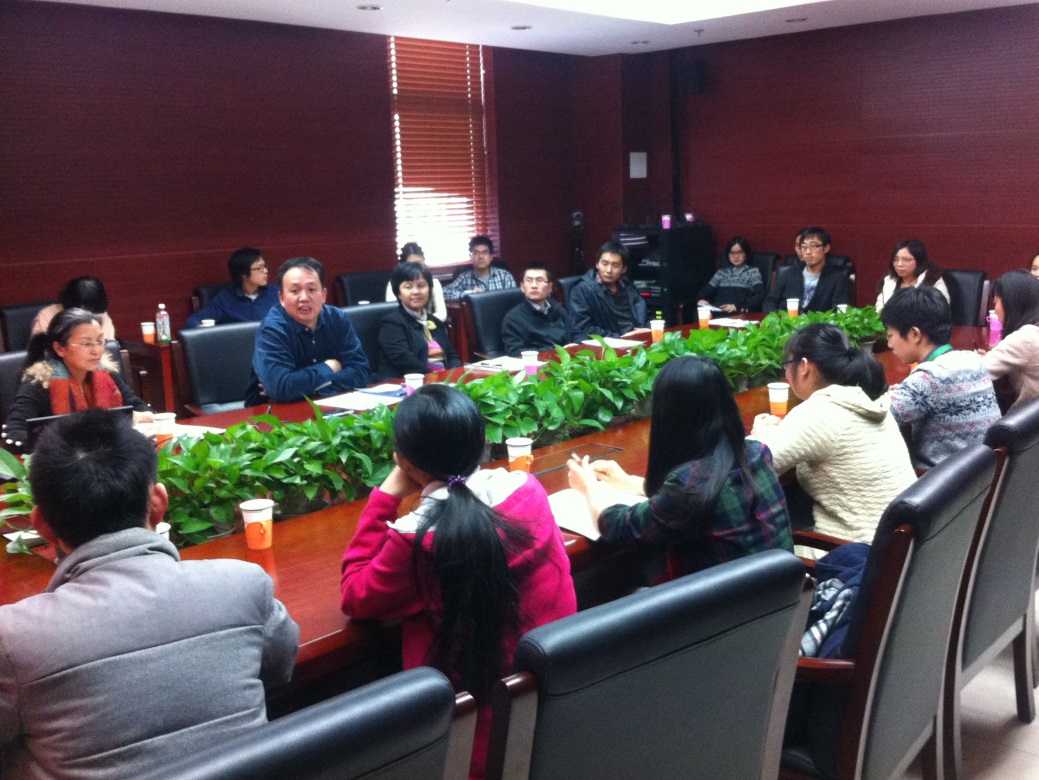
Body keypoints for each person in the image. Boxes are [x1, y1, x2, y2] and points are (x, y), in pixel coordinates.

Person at [0, 410, 299, 780]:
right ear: (158, 501)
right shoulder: (244, 584)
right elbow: (279, 670)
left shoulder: (13, 637)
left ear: (41, 525)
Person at [340, 384, 576, 778]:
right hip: (554, 713)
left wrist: (385, 497)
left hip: (472, 745)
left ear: (404, 462)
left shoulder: (417, 540)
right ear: (483, 442)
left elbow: (355, 595)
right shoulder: (528, 491)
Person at [567, 355, 793, 574]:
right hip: (783, 592)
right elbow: (695, 493)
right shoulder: (757, 452)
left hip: (722, 599)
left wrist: (589, 488)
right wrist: (627, 481)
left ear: (671, 414)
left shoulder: (688, 487)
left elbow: (616, 526)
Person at [751, 323, 915, 543]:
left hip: (853, 549)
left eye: (787, 365)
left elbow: (756, 462)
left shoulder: (821, 410)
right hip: (902, 543)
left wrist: (760, 434)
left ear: (804, 367)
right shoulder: (867, 398)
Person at [3, 308, 152, 453]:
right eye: (86, 344)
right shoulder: (40, 382)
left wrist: (139, 416)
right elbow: (13, 434)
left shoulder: (105, 373)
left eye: (100, 341)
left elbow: (140, 407)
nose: (97, 351)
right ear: (60, 348)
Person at [881, 287, 999, 469]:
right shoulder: (974, 360)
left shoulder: (927, 378)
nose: (889, 344)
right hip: (980, 474)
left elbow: (880, 415)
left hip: (939, 480)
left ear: (915, 334)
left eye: (890, 335)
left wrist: (885, 396)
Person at [245, 257, 369, 406]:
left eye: (311, 289)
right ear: (282, 298)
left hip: (332, 404)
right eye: (295, 291)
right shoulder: (272, 329)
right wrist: (330, 367)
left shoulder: (338, 318)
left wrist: (302, 388)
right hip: (274, 411)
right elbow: (280, 388)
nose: (304, 298)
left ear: (323, 295)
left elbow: (361, 372)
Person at [375, 261, 460, 380]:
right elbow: (407, 363)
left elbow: (453, 356)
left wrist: (454, 376)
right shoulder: (391, 324)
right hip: (408, 384)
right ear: (398, 293)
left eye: (421, 286)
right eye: (408, 287)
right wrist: (438, 379)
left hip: (441, 382)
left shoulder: (435, 322)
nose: (416, 292)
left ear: (429, 289)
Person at [567, 241, 650, 338]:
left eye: (615, 265)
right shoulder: (582, 290)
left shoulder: (628, 287)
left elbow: (646, 316)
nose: (609, 270)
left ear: (624, 269)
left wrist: (648, 329)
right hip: (608, 344)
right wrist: (619, 338)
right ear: (597, 264)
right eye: (604, 264)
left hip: (637, 340)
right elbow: (582, 328)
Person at [983, 269, 1039, 412]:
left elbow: (975, 373)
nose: (995, 310)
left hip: (1028, 423)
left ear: (1010, 304)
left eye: (996, 303)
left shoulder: (1026, 337)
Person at [500, 262, 584, 356]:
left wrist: (576, 345)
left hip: (568, 359)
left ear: (550, 287)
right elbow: (515, 353)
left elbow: (577, 332)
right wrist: (558, 350)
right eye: (529, 281)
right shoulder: (513, 319)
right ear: (522, 287)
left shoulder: (558, 309)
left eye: (539, 280)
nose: (534, 286)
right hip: (540, 364)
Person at [185, 247, 279, 327]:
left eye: (265, 266)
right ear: (243, 273)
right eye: (259, 268)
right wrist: (200, 328)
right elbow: (192, 321)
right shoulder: (225, 299)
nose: (265, 271)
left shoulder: (276, 293)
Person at [763, 227, 849, 313]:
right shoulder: (789, 274)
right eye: (804, 247)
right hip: (786, 320)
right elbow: (769, 302)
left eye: (813, 246)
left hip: (817, 321)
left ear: (826, 248)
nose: (808, 252)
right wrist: (778, 318)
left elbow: (839, 311)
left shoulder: (837, 278)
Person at [31, 276, 116, 341]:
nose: (85, 314)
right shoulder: (46, 316)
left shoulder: (101, 315)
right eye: (79, 308)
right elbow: (39, 352)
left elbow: (110, 348)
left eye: (90, 310)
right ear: (69, 302)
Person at [874, 239, 949, 311]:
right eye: (895, 259)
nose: (899, 264)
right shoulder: (888, 281)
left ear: (919, 261)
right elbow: (879, 310)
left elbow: (941, 311)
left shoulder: (933, 281)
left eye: (906, 259)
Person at [696, 236, 765, 313]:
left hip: (738, 312)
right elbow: (705, 292)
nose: (736, 256)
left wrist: (736, 306)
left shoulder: (753, 272)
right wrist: (701, 299)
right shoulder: (721, 272)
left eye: (740, 252)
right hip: (718, 311)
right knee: (699, 311)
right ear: (728, 254)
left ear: (746, 253)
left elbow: (760, 295)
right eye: (732, 253)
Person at [384, 242, 447, 320]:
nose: (416, 268)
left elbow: (442, 314)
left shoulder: (434, 283)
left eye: (420, 263)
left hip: (429, 324)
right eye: (408, 287)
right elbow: (391, 311)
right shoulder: (395, 283)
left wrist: (423, 322)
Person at [441, 235, 516, 301]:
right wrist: (467, 295)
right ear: (471, 257)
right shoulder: (465, 277)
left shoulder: (505, 276)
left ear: (491, 257)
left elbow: (514, 298)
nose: (480, 257)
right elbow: (443, 293)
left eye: (485, 252)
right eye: (476, 253)